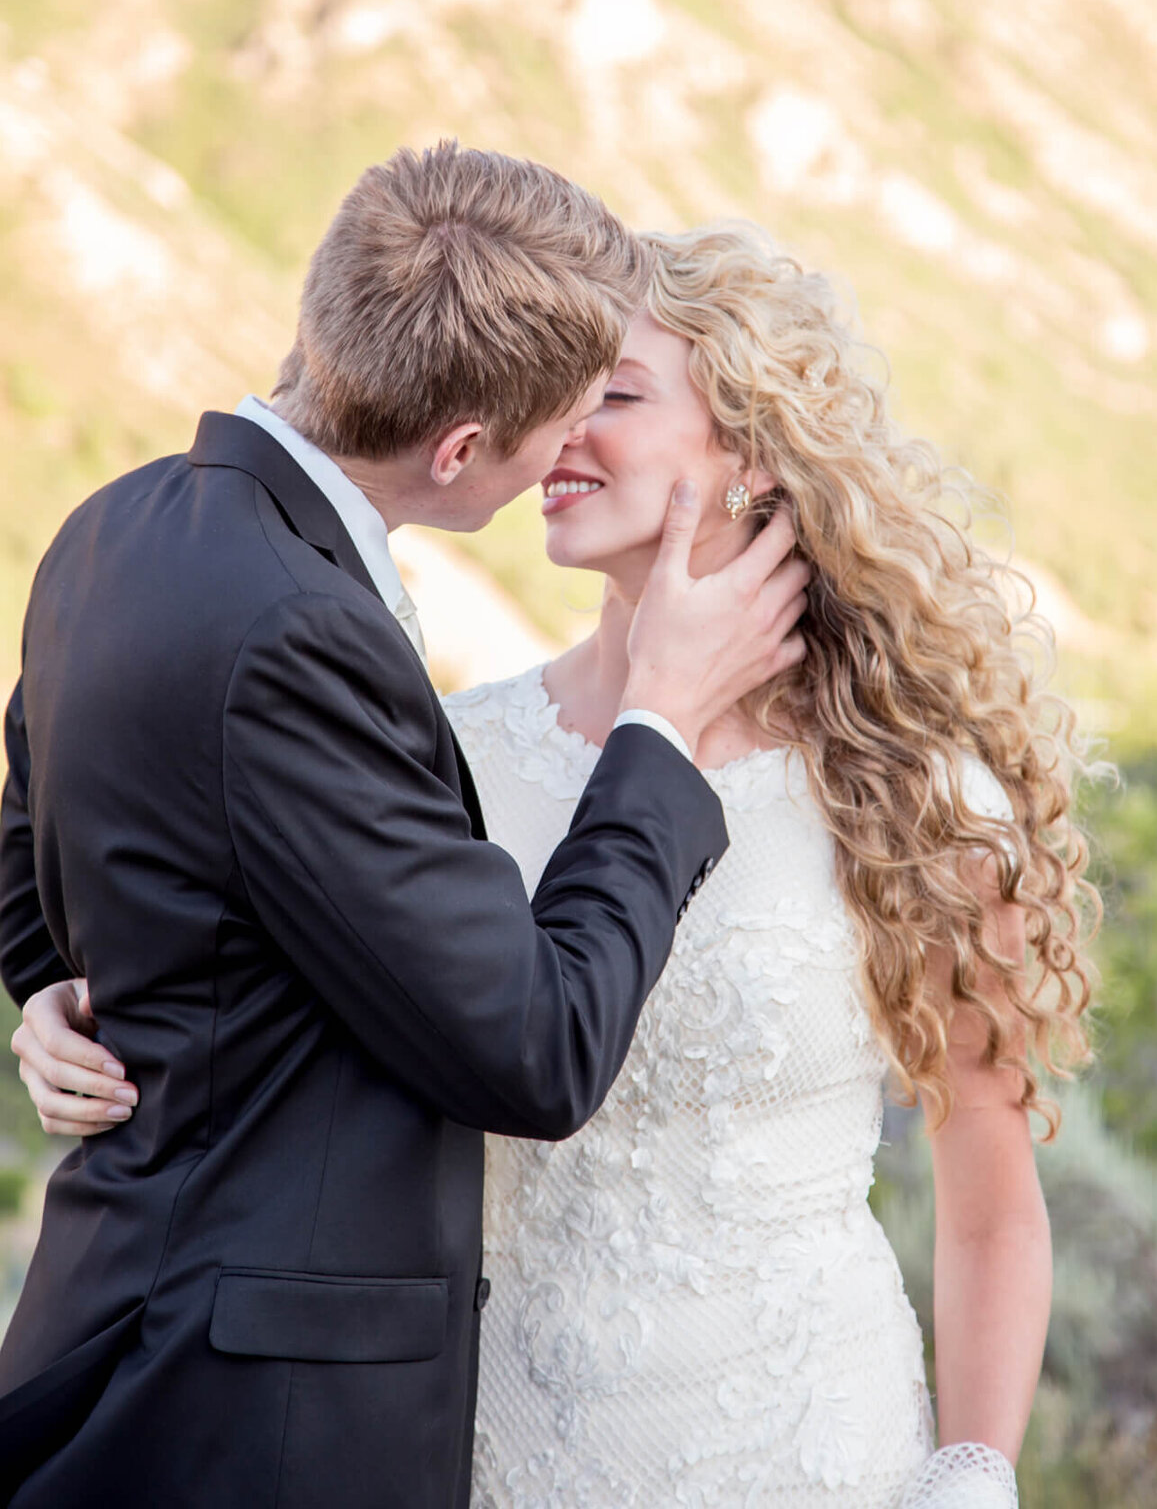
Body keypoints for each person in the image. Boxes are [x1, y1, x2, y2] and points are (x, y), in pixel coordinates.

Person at [15, 222, 1097, 1508]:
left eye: (617, 397)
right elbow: (237, 988)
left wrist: (974, 1473)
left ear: (749, 447)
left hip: (812, 1447)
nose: (561, 432)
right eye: (560, 397)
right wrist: (68, 1005)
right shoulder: (454, 746)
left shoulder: (914, 794)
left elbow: (989, 1199)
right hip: (488, 1444)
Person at [0, 150, 810, 1509]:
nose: (571, 454)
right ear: (455, 453)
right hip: (241, 1425)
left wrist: (65, 996)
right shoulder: (300, 631)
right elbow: (537, 1052)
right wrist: (660, 724)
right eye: (563, 423)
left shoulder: (116, 526)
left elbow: (25, 854)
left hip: (124, 1343)